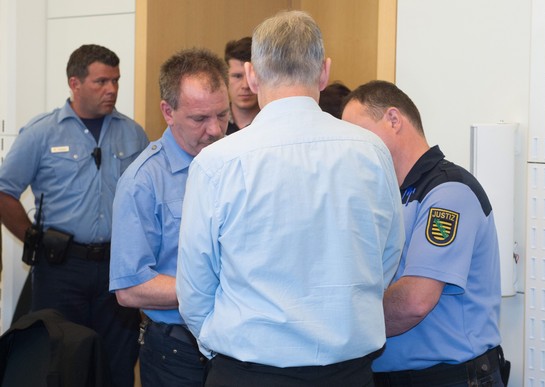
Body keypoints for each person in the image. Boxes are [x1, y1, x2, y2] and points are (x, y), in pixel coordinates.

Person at [176, 10, 405, 387]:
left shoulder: (218, 163)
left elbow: (195, 289)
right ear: (324, 72)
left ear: (251, 75)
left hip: (246, 372)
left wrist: (223, 351)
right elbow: (386, 258)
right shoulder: (372, 152)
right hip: (348, 374)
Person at [0, 44, 149, 387]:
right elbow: (5, 192)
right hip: (61, 268)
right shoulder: (42, 133)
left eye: (116, 81)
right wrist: (33, 239)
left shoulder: (133, 133)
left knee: (118, 359)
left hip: (117, 267)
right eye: (101, 81)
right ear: (75, 83)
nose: (111, 89)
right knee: (60, 357)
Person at [342, 80, 508, 387]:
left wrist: (343, 322)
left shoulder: (448, 191)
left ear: (393, 119)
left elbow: (415, 300)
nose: (353, 147)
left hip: (450, 378)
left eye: (358, 133)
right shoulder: (387, 196)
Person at [109, 47, 230, 387]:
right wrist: (220, 288)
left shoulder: (236, 161)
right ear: (168, 111)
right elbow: (130, 288)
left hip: (232, 345)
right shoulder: (143, 181)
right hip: (176, 349)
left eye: (222, 115)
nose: (215, 130)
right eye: (199, 119)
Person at [223, 36, 260, 134]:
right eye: (237, 76)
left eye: (251, 76)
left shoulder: (273, 122)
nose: (246, 85)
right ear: (225, 79)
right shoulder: (214, 123)